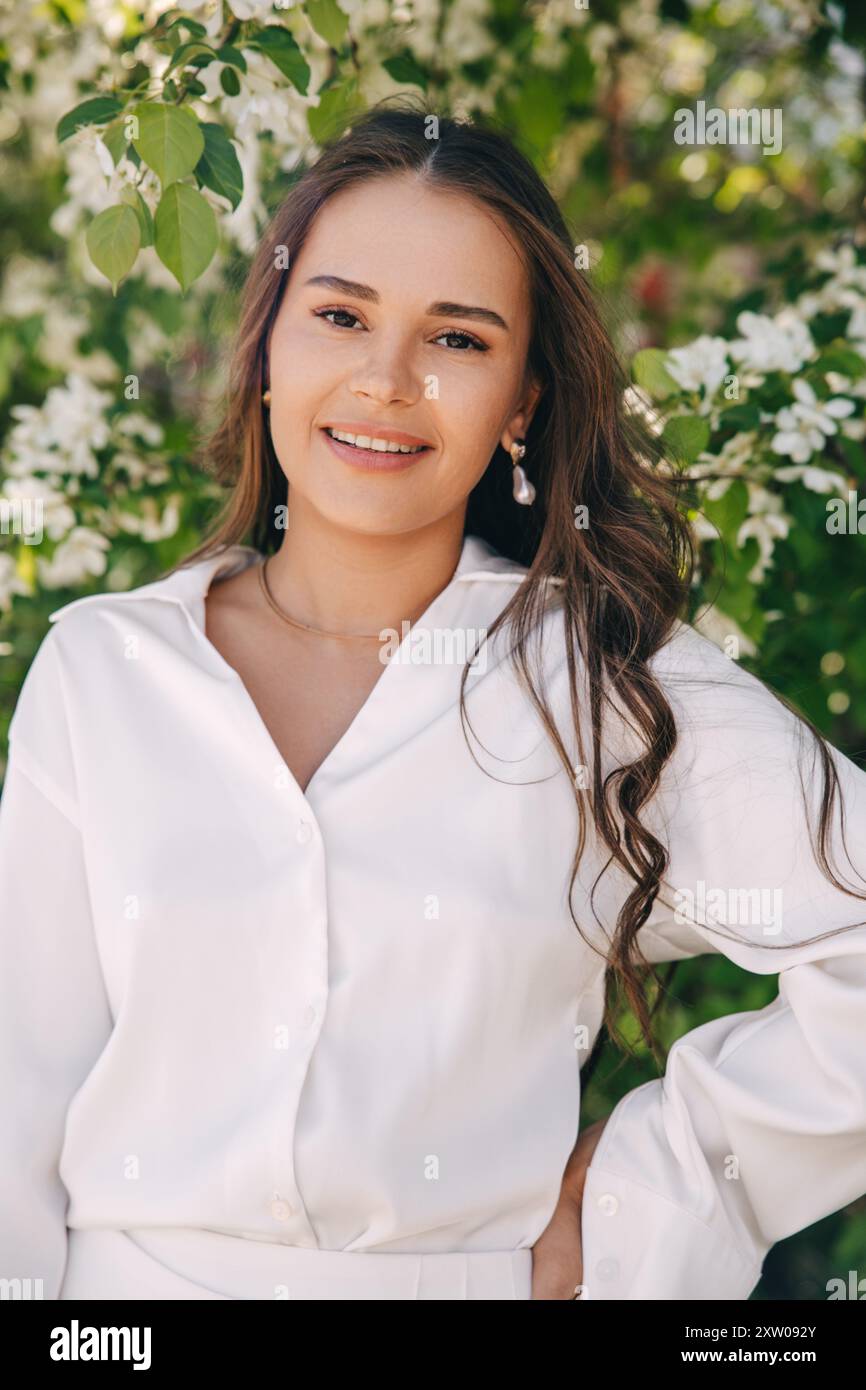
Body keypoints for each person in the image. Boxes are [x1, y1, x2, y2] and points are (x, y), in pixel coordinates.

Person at [2, 101, 865, 1303]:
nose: (384, 378)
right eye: (340, 315)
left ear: (521, 402)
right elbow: (17, 1102)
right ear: (267, 347)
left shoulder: (599, 682)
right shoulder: (102, 674)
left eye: (457, 340)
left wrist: (646, 1190)